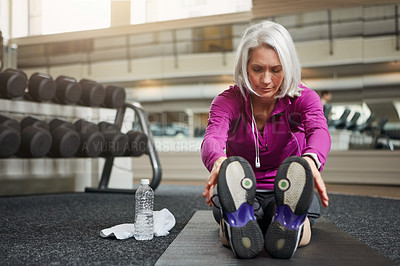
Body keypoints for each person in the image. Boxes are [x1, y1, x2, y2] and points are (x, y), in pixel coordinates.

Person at [201, 20, 331, 260]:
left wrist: (312, 160)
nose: (266, 80)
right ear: (244, 67)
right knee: (224, 205)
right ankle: (241, 220)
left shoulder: (303, 98)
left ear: (288, 67)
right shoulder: (227, 101)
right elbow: (213, 135)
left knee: (304, 207)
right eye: (257, 69)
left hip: (285, 189)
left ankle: (282, 220)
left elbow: (318, 130)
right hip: (240, 189)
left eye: (276, 70)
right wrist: (218, 160)